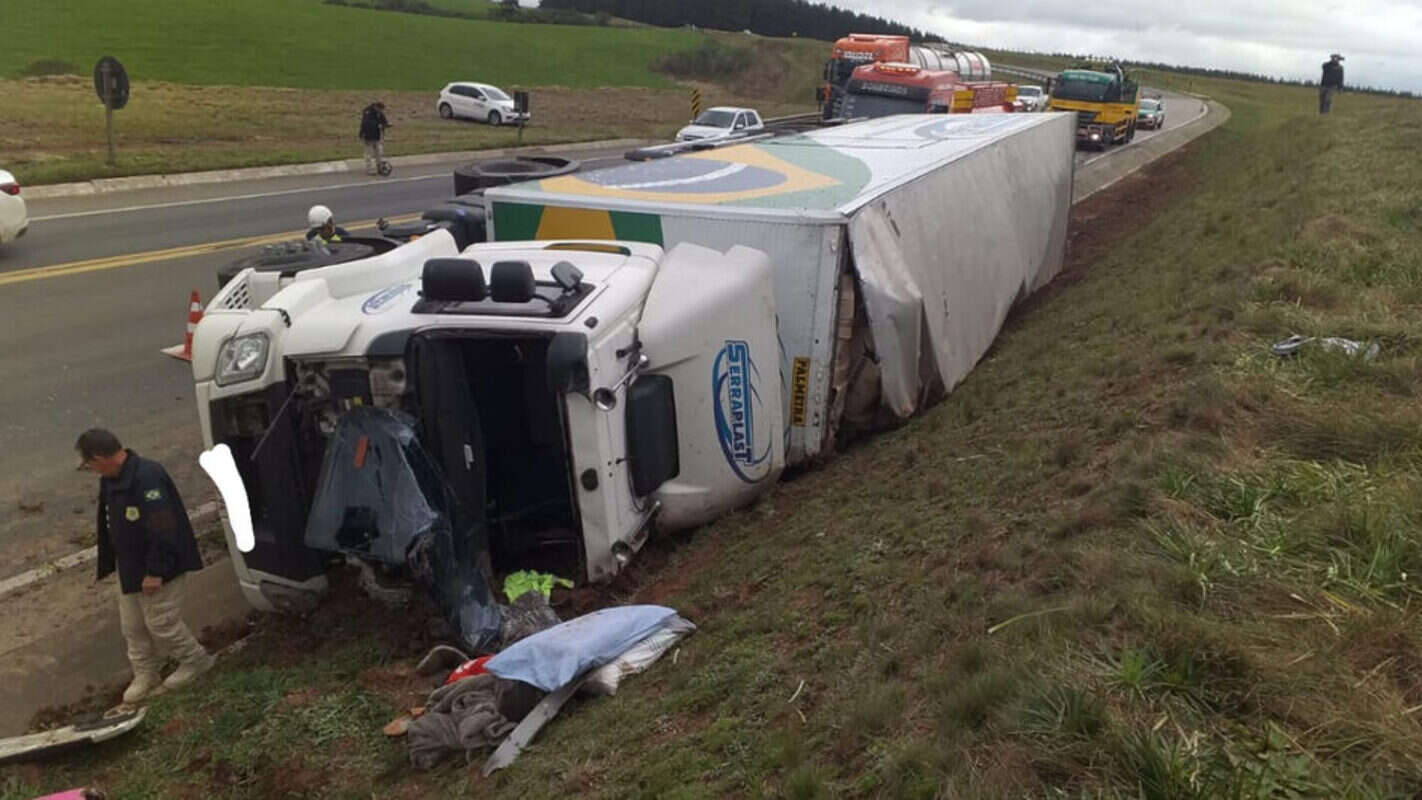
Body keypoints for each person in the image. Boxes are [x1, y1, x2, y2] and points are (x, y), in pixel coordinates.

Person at [77, 429, 212, 704]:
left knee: (162, 622)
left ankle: (195, 661)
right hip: (130, 567)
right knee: (133, 627)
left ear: (101, 457)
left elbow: (164, 528)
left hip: (160, 568)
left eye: (89, 464)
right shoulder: (111, 479)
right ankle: (145, 673)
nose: (90, 470)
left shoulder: (147, 477)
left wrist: (156, 571)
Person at [359, 101, 391, 175]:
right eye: (380, 110)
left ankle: (380, 168)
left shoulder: (379, 113)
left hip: (376, 135)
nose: (381, 111)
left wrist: (386, 124)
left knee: (379, 152)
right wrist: (378, 125)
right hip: (367, 135)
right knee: (368, 154)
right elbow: (366, 123)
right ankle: (369, 170)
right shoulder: (368, 112)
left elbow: (383, 119)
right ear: (376, 107)